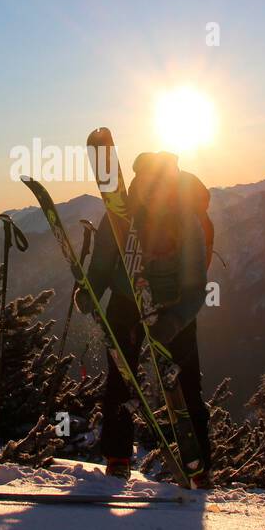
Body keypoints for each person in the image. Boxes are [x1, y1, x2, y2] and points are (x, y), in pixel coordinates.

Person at [77, 151, 213, 484]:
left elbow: (196, 286)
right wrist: (88, 290)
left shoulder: (187, 222)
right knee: (122, 380)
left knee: (185, 385)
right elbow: (102, 264)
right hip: (126, 305)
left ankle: (197, 465)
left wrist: (174, 321)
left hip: (173, 308)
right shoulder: (120, 217)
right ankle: (119, 457)